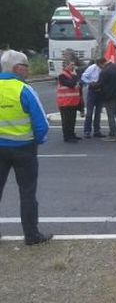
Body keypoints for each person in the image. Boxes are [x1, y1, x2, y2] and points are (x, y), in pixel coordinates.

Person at [0, 50, 53, 245]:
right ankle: (31, 235)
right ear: (17, 68)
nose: (28, 70)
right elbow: (42, 125)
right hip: (24, 149)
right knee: (27, 193)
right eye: (26, 66)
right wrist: (38, 141)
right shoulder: (24, 90)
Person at [97, 60, 116, 142]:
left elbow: (100, 84)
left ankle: (112, 134)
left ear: (101, 64)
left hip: (109, 97)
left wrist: (92, 85)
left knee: (111, 116)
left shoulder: (104, 72)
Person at [57, 60, 83, 143]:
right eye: (71, 65)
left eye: (73, 65)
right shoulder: (62, 75)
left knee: (72, 120)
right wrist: (75, 77)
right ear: (66, 66)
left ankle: (72, 134)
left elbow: (78, 85)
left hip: (73, 102)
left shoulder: (71, 74)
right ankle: (67, 137)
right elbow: (71, 84)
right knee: (66, 121)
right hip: (65, 102)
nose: (73, 67)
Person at [80, 58, 107, 138]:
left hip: (101, 91)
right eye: (102, 65)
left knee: (98, 113)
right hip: (92, 91)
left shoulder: (105, 69)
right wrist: (90, 83)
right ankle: (87, 131)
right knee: (89, 113)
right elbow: (83, 77)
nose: (104, 66)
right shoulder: (92, 68)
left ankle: (97, 131)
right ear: (99, 64)